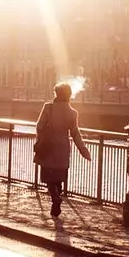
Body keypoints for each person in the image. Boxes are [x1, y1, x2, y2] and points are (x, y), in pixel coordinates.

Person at [34, 82, 91, 218]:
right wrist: (84, 150)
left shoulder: (48, 108)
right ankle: (57, 198)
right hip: (63, 148)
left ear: (56, 94)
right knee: (59, 177)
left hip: (48, 147)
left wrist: (42, 138)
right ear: (69, 95)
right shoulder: (72, 113)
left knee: (48, 177)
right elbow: (75, 134)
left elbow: (39, 126)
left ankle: (55, 198)